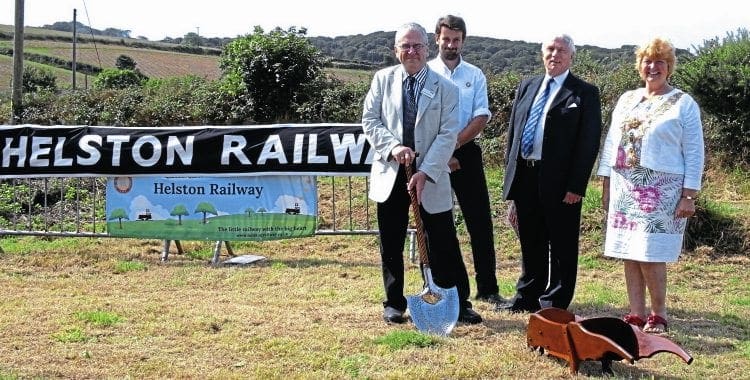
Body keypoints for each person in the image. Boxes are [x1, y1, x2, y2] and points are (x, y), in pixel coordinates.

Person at [361, 22, 482, 325]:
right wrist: (393, 147)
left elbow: (447, 134)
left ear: (427, 50)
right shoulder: (381, 80)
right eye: (405, 46)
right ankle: (394, 302)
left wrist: (425, 172)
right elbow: (370, 120)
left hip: (431, 178)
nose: (411, 51)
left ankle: (458, 301)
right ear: (396, 50)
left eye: (417, 46)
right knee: (391, 240)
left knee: (443, 241)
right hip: (392, 174)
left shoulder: (447, 88)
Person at [597, 37, 704, 334]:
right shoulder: (627, 98)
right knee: (629, 250)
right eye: (647, 61)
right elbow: (611, 143)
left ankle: (659, 314)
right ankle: (635, 313)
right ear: (640, 66)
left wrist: (689, 195)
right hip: (625, 184)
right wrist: (605, 181)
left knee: (651, 251)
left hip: (661, 189)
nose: (653, 67)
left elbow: (694, 151)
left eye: (659, 62)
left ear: (669, 67)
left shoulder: (684, 103)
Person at [498, 34, 602, 313]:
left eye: (561, 50)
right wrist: (511, 175)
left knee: (562, 243)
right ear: (542, 53)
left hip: (561, 181)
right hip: (526, 176)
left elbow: (589, 142)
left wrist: (577, 185)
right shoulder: (527, 85)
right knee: (530, 240)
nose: (555, 54)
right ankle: (526, 296)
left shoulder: (584, 92)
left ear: (571, 56)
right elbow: (514, 132)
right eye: (550, 49)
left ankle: (554, 302)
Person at [427, 15, 505, 305]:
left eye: (456, 40)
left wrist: (454, 144)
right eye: (446, 39)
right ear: (437, 38)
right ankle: (444, 286)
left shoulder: (475, 74)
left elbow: (481, 115)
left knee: (480, 223)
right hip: (432, 154)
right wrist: (442, 152)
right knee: (437, 222)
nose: (451, 45)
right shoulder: (425, 73)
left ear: (463, 41)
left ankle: (488, 288)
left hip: (466, 151)